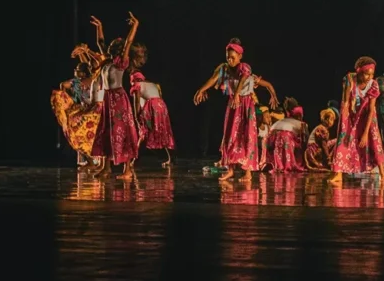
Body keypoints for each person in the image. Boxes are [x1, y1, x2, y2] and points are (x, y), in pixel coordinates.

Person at [193, 38, 279, 182]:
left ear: (240, 56)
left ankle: (248, 173)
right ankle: (230, 170)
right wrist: (201, 90)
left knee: (247, 137)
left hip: (246, 106)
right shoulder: (224, 68)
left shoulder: (245, 67)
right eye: (228, 57)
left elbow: (245, 79)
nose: (230, 60)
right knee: (230, 136)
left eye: (233, 57)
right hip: (233, 105)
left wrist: (272, 95)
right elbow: (214, 78)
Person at [91, 12, 141, 180]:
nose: (111, 45)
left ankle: (128, 170)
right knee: (105, 132)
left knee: (123, 132)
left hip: (119, 100)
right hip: (107, 99)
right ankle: (106, 168)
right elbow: (100, 42)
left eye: (115, 44)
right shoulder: (107, 62)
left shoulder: (121, 63)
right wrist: (100, 27)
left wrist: (135, 26)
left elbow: (129, 42)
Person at [328, 57, 384, 184]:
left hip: (367, 115)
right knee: (343, 139)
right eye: (367, 74)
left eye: (372, 74)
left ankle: (383, 174)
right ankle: (338, 174)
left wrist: (365, 133)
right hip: (351, 112)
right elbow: (345, 100)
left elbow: (371, 109)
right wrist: (345, 119)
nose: (369, 77)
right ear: (359, 72)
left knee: (375, 139)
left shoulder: (373, 85)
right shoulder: (350, 79)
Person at [130, 71, 175, 168]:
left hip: (151, 107)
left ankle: (135, 160)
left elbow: (137, 103)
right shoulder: (153, 84)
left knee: (144, 132)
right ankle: (171, 158)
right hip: (161, 106)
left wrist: (136, 116)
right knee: (164, 131)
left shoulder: (137, 85)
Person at [263, 98, 307, 172]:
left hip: (270, 136)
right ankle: (287, 164)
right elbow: (305, 142)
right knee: (298, 142)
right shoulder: (302, 124)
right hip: (284, 137)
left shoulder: (280, 121)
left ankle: (272, 163)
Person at [304, 107, 337, 171]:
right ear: (327, 119)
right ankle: (329, 161)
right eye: (332, 119)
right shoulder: (322, 129)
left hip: (314, 149)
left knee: (335, 141)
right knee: (337, 140)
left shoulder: (322, 128)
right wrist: (328, 158)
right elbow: (323, 145)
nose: (333, 122)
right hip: (314, 151)